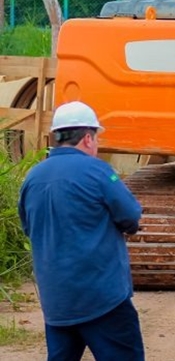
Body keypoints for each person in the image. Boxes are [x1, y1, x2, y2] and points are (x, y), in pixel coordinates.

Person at [18, 101, 144, 360]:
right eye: (96, 138)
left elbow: (30, 228)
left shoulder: (32, 178)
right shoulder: (98, 171)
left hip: (57, 302)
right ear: (87, 138)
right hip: (102, 298)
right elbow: (131, 217)